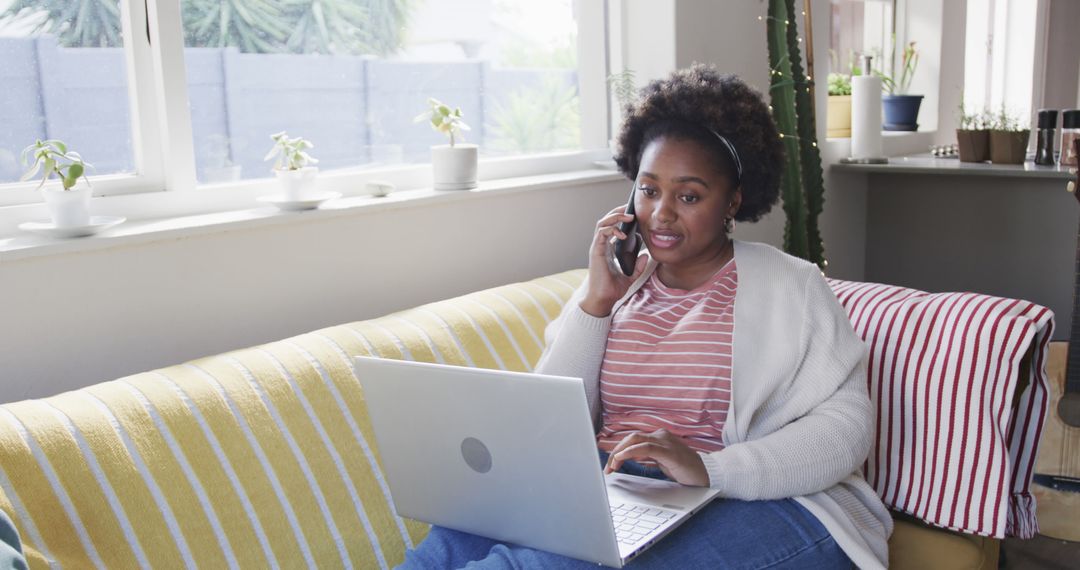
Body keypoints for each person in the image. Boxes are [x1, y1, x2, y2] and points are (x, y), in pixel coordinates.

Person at [400, 64, 892, 569]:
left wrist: (708, 468)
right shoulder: (619, 285)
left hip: (761, 501)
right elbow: (546, 424)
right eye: (649, 189)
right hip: (619, 488)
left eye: (689, 195)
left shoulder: (792, 284)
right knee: (446, 547)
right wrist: (596, 303)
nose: (661, 213)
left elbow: (845, 432)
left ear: (733, 201)